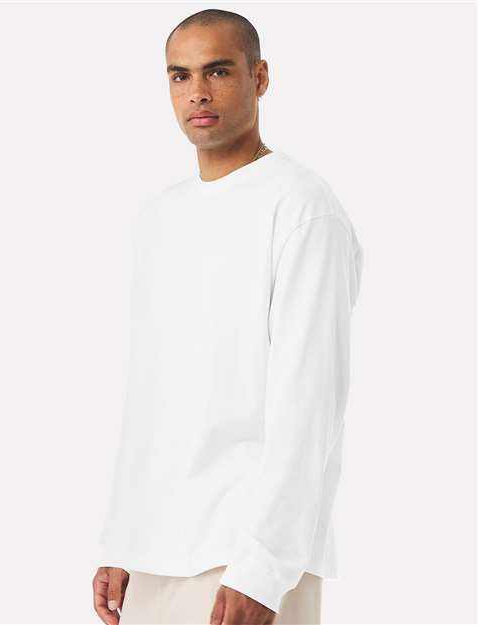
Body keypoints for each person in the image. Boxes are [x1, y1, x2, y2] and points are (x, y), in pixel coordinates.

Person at [92, 8, 363, 625]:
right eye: (180, 76)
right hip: (156, 553)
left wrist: (264, 569)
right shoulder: (159, 217)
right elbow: (151, 397)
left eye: (217, 71)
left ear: (259, 77)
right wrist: (123, 539)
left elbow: (310, 402)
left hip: (246, 555)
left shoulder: (302, 208)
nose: (198, 93)